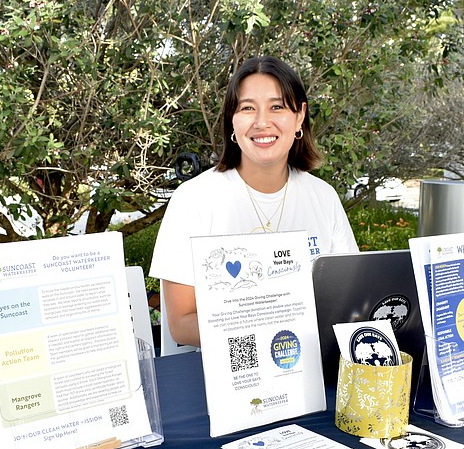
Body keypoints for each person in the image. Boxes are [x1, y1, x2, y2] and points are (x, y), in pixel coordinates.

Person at [149, 56, 358, 347]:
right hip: (226, 375)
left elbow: (349, 300)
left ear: (299, 116)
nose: (262, 122)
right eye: (247, 108)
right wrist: (270, 328)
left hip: (314, 369)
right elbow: (181, 324)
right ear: (232, 121)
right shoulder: (193, 199)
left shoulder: (324, 197)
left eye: (277, 107)